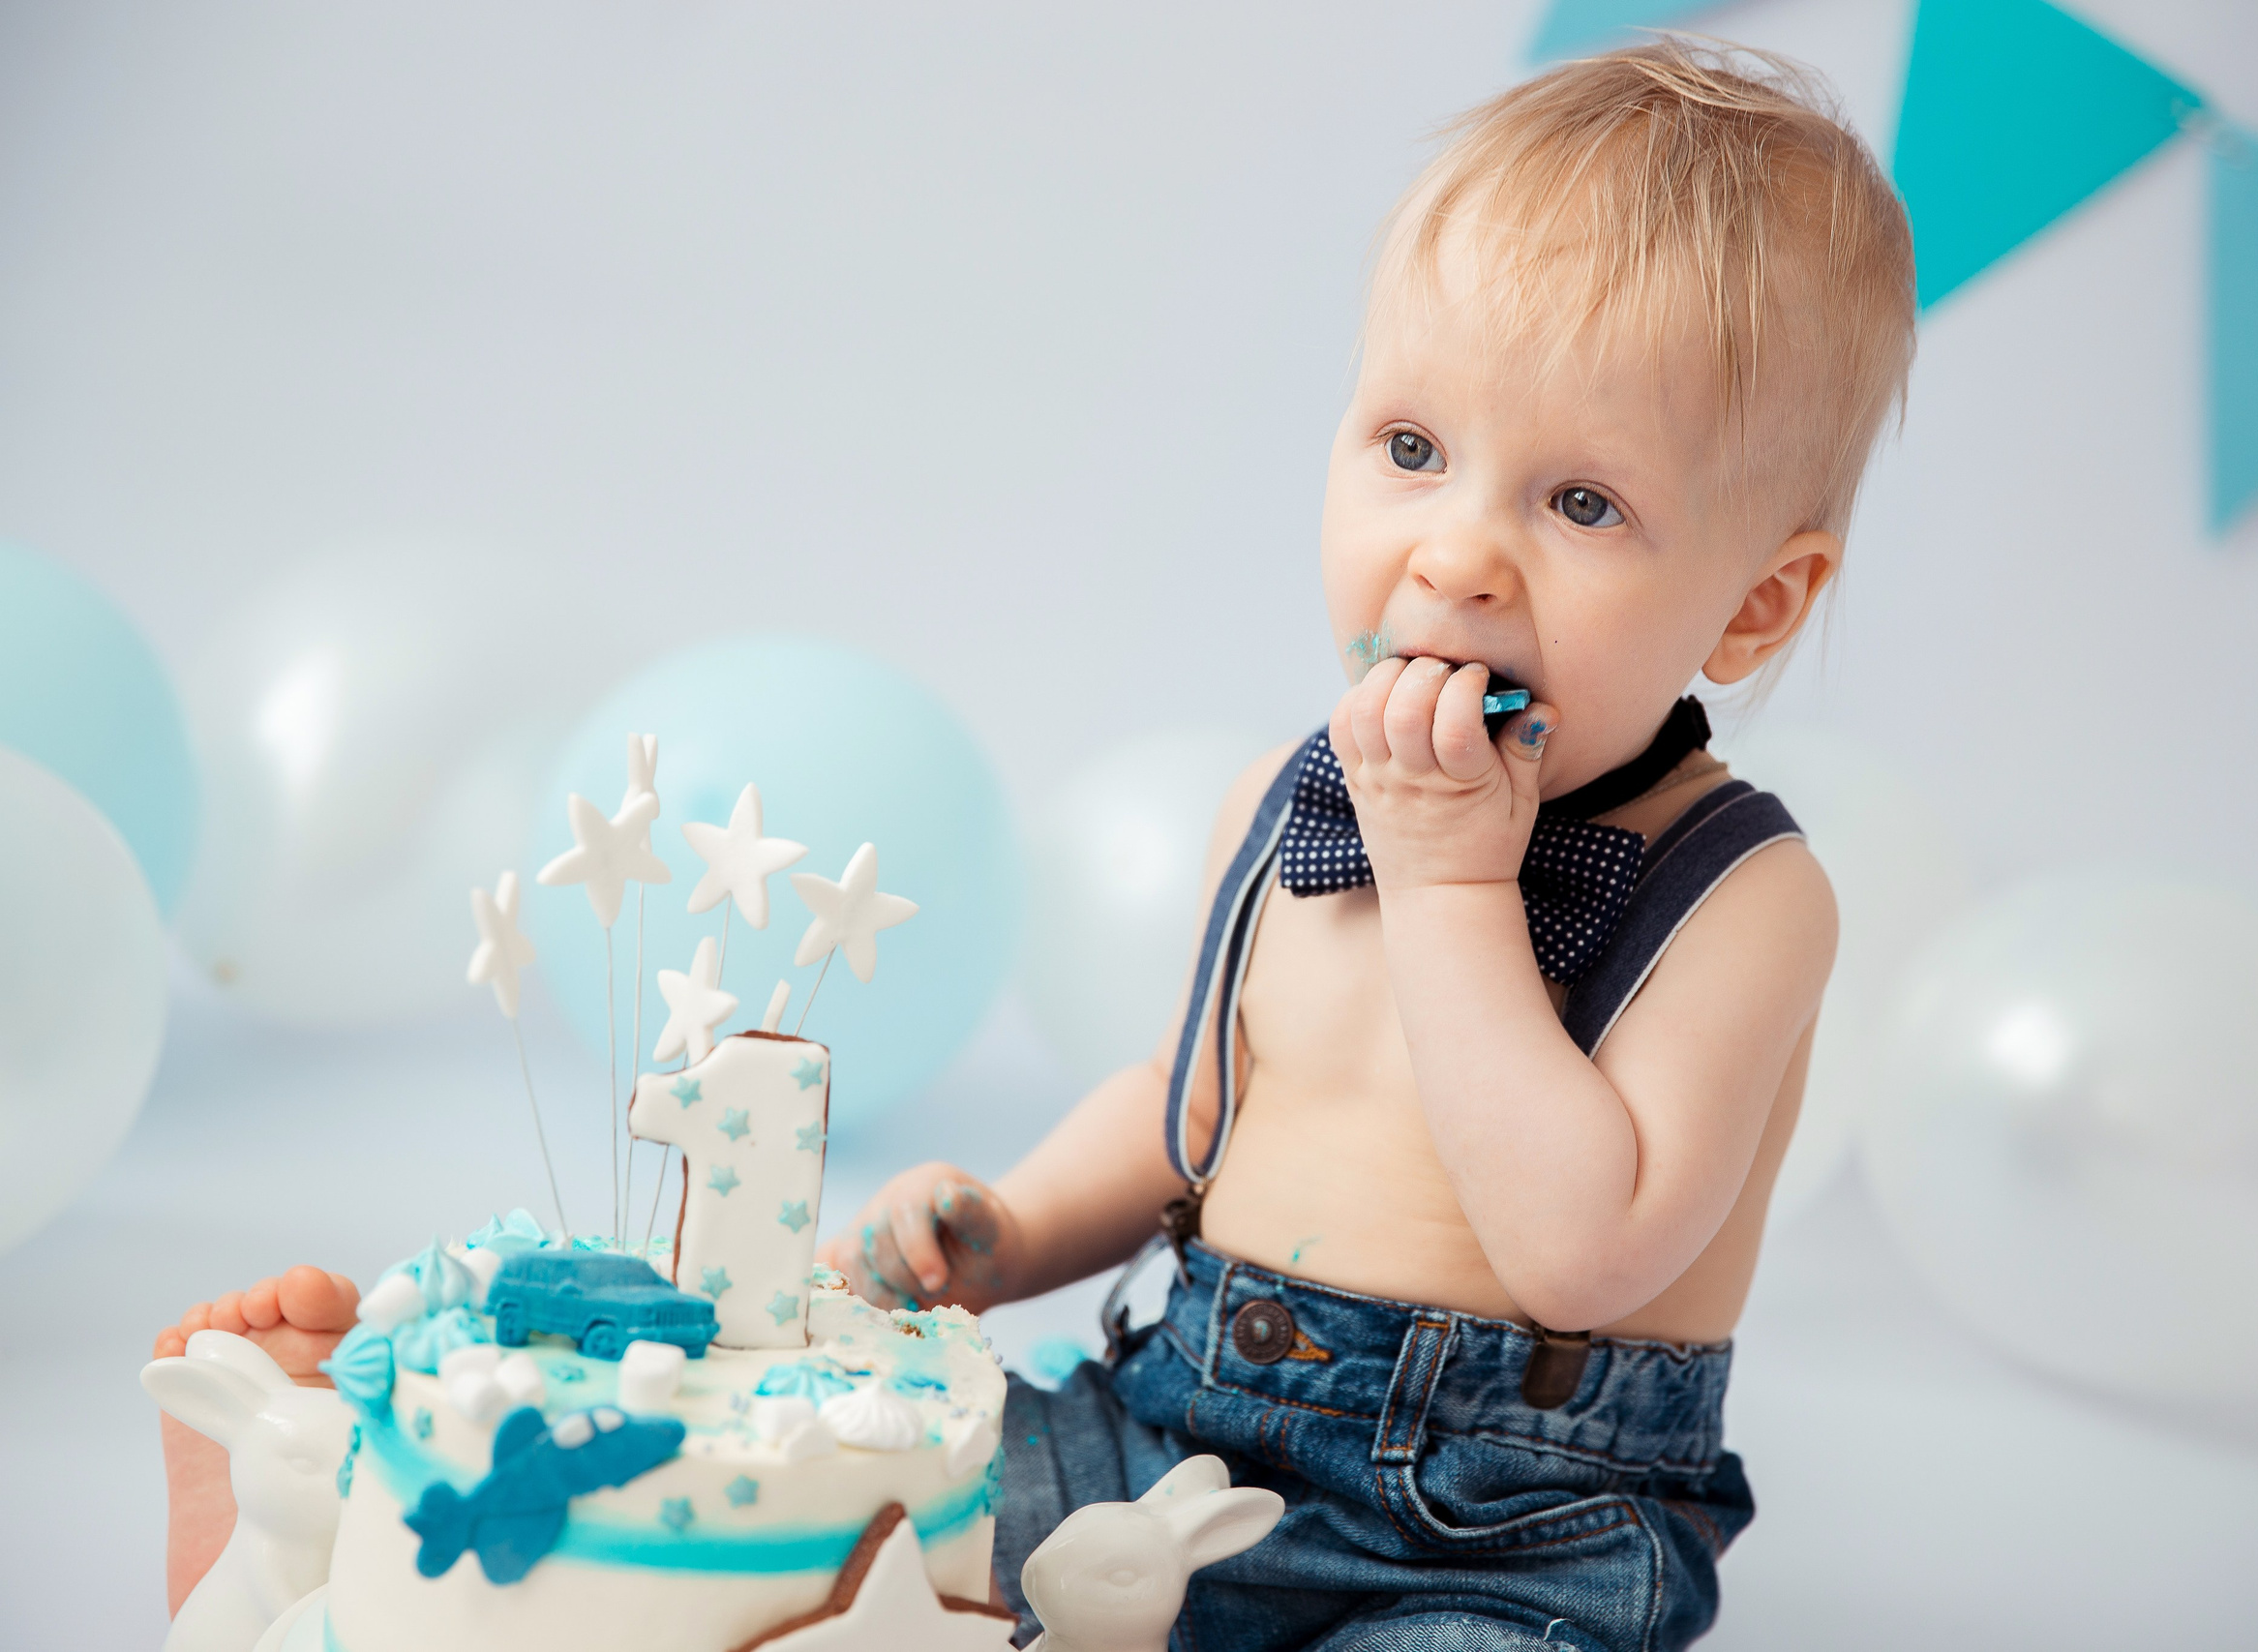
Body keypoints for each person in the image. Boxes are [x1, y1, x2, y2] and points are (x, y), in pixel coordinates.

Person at [157, 38, 1912, 1651]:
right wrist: (1004, 1231)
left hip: (1509, 1530)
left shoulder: (1748, 898)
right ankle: (315, 1505)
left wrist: (1456, 883)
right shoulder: (1289, 806)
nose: (1456, 554)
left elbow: (1586, 1250)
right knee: (824, 1567)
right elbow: (1191, 1115)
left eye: (1580, 502)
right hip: (1169, 1427)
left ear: (1754, 608)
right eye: (1412, 448)